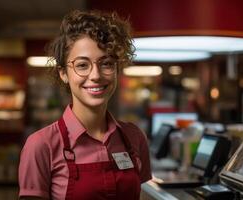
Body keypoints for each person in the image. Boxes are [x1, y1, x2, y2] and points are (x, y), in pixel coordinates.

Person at [18, 10, 151, 200]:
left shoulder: (135, 137)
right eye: (82, 65)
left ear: (117, 69)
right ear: (63, 73)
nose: (95, 75)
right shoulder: (41, 145)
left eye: (106, 63)